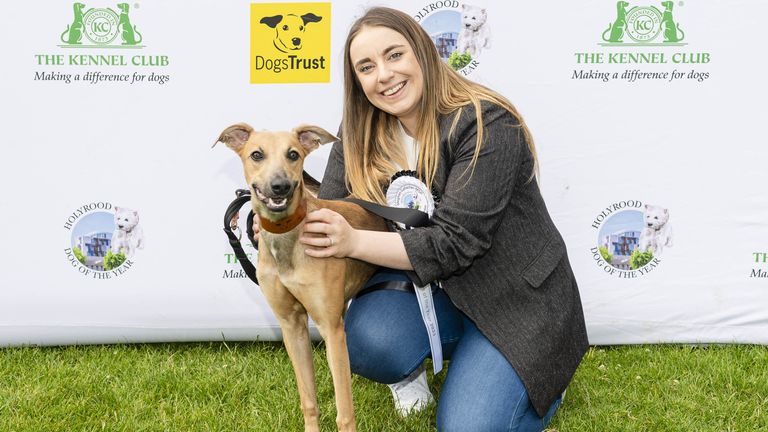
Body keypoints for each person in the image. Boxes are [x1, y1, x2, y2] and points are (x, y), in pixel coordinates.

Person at [256, 7, 589, 431]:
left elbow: (456, 243)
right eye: (366, 67)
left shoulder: (488, 123)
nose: (384, 75)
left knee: (468, 427)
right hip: (432, 289)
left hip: (515, 300)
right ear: (357, 80)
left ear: (424, 52)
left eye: (394, 55)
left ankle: (538, 369)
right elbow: (334, 207)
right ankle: (418, 368)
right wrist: (280, 218)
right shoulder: (358, 130)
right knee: (368, 340)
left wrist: (353, 242)